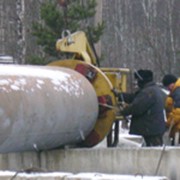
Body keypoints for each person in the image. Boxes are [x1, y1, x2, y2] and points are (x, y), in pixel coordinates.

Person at [119, 69, 166, 147]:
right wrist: (121, 96)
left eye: (137, 80)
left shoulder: (148, 92)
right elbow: (135, 98)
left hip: (150, 130)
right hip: (153, 129)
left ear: (142, 80)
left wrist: (123, 111)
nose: (137, 83)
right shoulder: (152, 90)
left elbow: (137, 107)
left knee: (152, 151)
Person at [162, 74, 180, 145]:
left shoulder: (178, 92)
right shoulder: (175, 91)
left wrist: (168, 124)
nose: (168, 89)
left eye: (168, 86)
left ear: (172, 84)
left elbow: (178, 111)